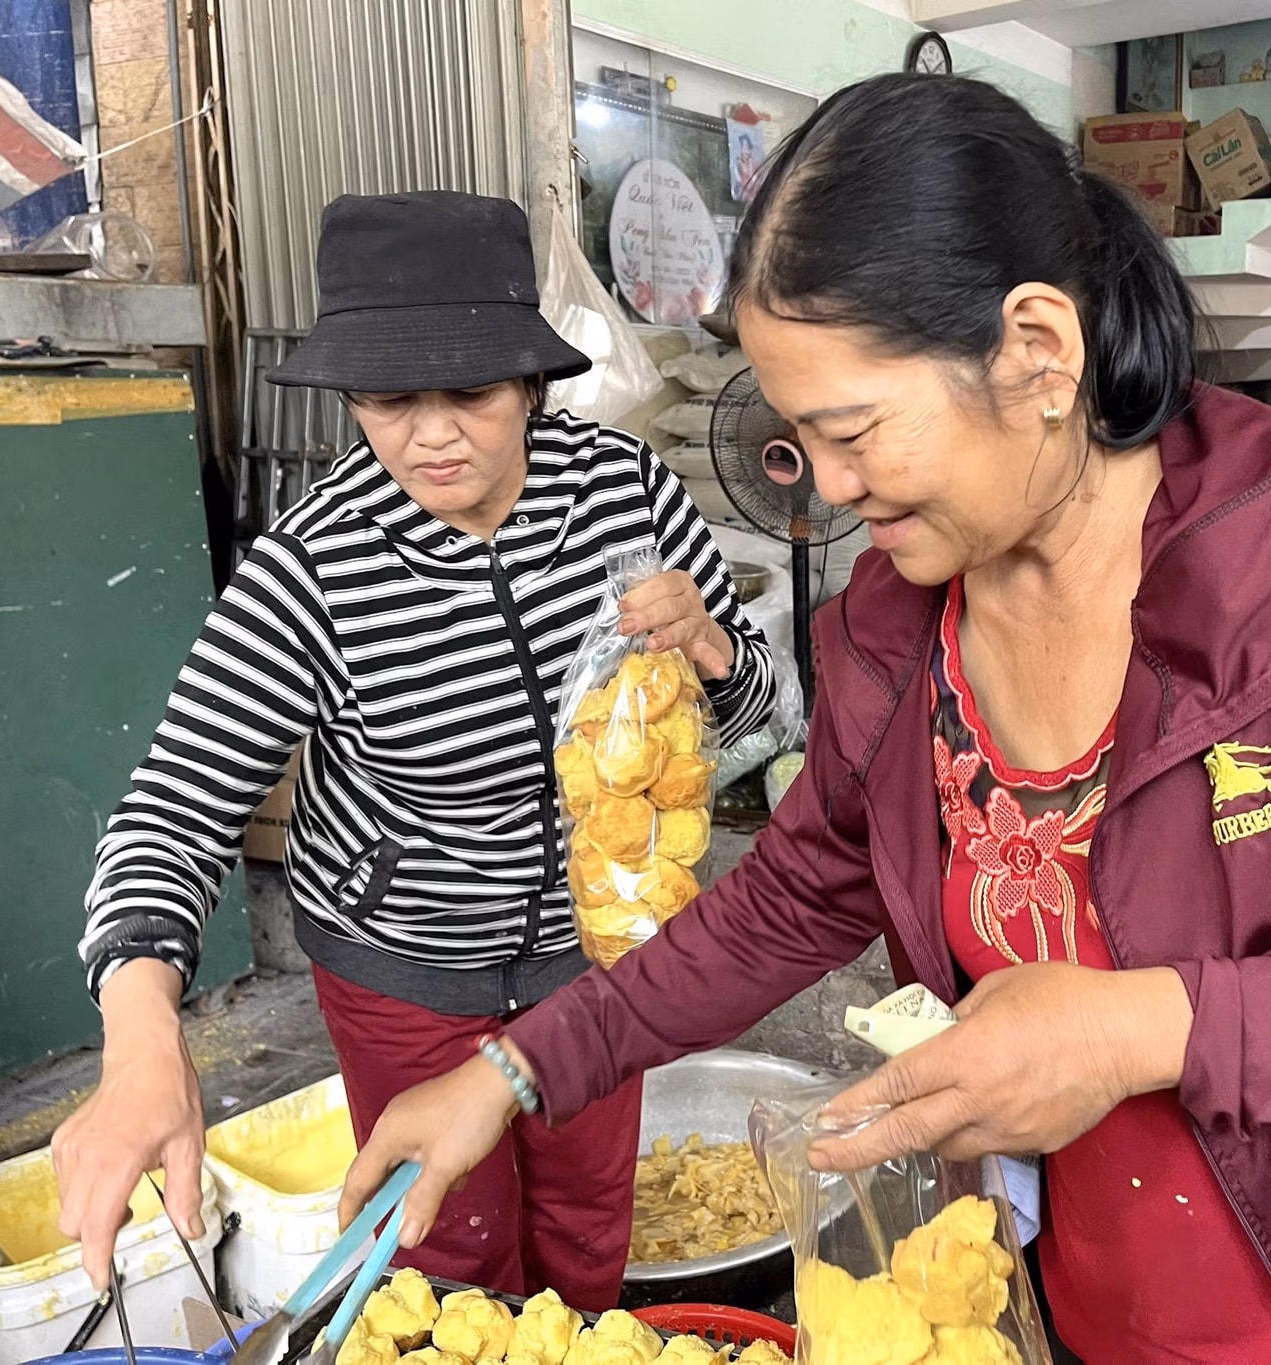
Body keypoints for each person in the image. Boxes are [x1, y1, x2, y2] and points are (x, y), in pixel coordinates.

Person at [344, 80, 1271, 1362]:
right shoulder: (898, 629)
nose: (830, 486)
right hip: (1082, 1302)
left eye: (853, 429)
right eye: (799, 437)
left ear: (1037, 350)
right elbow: (792, 896)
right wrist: (513, 1071)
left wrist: (1132, 1029)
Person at [52, 191, 779, 1309]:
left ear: (530, 384)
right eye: (390, 400)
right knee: (450, 1250)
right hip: (405, 968)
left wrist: (716, 651)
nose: (433, 436)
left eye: (473, 393)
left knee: (590, 1224)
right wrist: (142, 1032)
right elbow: (171, 812)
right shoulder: (312, 568)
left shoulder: (627, 495)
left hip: (597, 964)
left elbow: (759, 721)